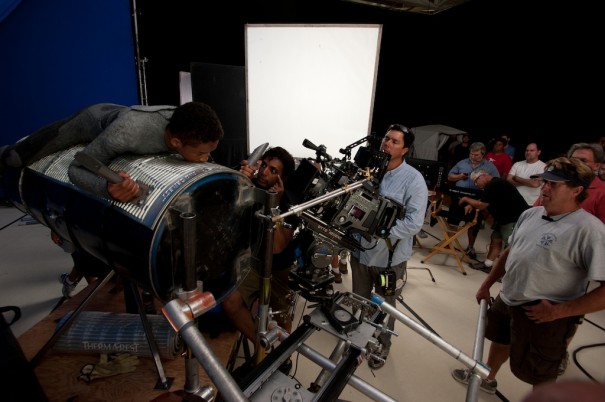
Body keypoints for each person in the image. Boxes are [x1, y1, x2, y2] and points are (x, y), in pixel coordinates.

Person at [451, 157, 605, 394]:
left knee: (542, 370)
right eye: (545, 182)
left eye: (554, 185)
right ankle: (487, 378)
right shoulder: (531, 215)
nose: (545, 188)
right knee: (499, 340)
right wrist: (487, 284)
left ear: (577, 190)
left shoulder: (590, 230)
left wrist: (558, 312)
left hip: (545, 315)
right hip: (509, 297)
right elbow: (510, 252)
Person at [0, 102, 224, 203]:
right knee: (15, 158)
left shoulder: (188, 128)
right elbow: (76, 169)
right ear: (175, 142)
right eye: (202, 154)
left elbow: (205, 155)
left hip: (121, 114)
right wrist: (107, 189)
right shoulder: (127, 133)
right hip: (91, 120)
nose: (205, 159)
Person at [349, 123, 428, 370]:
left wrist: (379, 231)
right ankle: (359, 339)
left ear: (405, 150)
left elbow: (414, 223)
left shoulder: (413, 180)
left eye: (395, 141)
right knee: (359, 299)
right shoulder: (368, 170)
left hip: (389, 259)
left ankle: (382, 344)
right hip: (360, 251)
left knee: (384, 304)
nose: (387, 143)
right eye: (386, 138)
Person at [221, 146, 298, 370]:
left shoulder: (290, 203)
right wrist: (238, 179)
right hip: (252, 265)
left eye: (272, 170)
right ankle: (262, 346)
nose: (264, 172)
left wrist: (274, 205)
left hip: (279, 269)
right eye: (263, 165)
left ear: (281, 179)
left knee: (283, 314)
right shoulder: (250, 186)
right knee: (231, 302)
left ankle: (285, 356)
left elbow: (277, 247)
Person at [459, 169, 529, 272]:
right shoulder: (493, 184)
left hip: (514, 219)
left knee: (511, 246)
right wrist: (471, 204)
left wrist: (465, 199)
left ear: (482, 176)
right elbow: (484, 200)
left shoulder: (494, 185)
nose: (476, 184)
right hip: (503, 219)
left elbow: (481, 205)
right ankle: (488, 264)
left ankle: (508, 272)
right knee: (495, 240)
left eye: (476, 181)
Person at [447, 142, 500, 259]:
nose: (473, 157)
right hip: (459, 195)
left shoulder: (490, 167)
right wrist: (460, 176)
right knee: (453, 219)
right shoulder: (462, 162)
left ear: (483, 154)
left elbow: (496, 182)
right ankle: (448, 242)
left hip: (477, 198)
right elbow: (450, 176)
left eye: (476, 155)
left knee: (473, 224)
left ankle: (470, 247)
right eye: (471, 154)